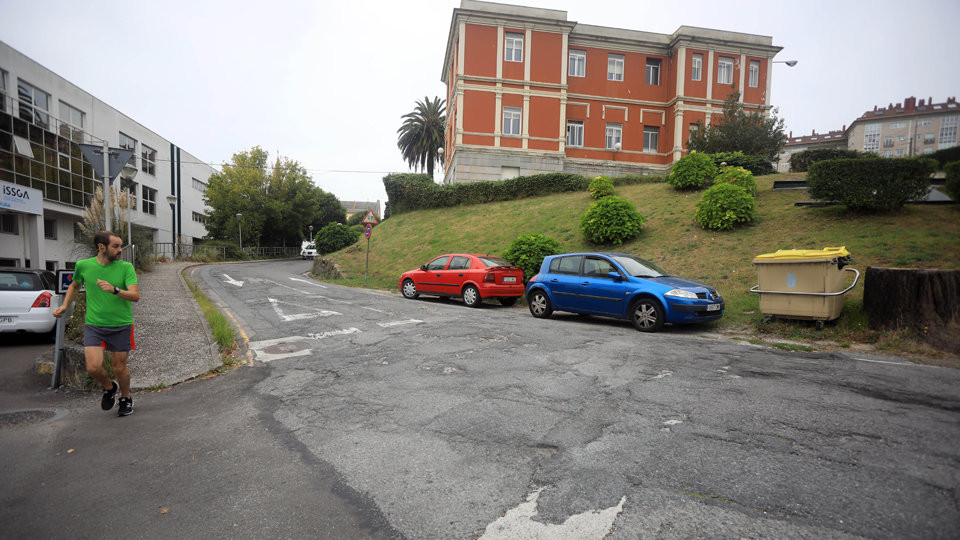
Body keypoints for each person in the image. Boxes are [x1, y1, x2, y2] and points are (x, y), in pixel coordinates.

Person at [54, 230, 140, 416]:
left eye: (120, 246)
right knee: (93, 367)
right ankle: (109, 388)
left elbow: (135, 296)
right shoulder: (83, 265)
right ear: (101, 247)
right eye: (115, 246)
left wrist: (114, 289)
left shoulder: (126, 268)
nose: (119, 250)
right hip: (94, 325)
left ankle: (125, 397)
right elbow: (75, 285)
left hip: (121, 325)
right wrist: (64, 305)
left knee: (119, 367)